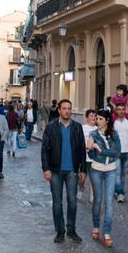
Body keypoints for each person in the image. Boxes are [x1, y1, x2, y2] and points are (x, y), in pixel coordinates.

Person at [41, 99, 87, 244]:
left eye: (69, 108)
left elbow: (81, 150)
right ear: (59, 110)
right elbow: (44, 150)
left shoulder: (77, 127)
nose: (67, 111)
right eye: (64, 108)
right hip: (55, 171)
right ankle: (60, 231)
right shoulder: (51, 127)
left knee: (72, 202)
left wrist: (83, 170)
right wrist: (46, 168)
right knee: (57, 203)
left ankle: (71, 230)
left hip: (72, 171)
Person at [86, 109, 120, 248]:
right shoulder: (92, 134)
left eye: (100, 119)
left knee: (109, 203)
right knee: (98, 200)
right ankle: (95, 226)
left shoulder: (114, 134)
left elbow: (117, 151)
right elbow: (91, 154)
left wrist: (102, 150)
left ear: (106, 120)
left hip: (111, 170)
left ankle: (106, 233)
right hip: (96, 170)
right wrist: (92, 147)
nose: (97, 121)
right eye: (96, 119)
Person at [112, 102, 128, 203]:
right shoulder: (113, 123)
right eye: (119, 109)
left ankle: (117, 190)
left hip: (127, 152)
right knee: (117, 173)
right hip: (116, 152)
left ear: (125, 110)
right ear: (116, 111)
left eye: (122, 109)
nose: (121, 111)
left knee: (123, 174)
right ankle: (121, 193)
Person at [80, 109, 98, 203]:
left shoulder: (97, 129)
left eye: (95, 116)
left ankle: (92, 195)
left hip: (94, 158)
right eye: (91, 115)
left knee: (93, 178)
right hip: (83, 158)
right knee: (82, 178)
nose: (93, 118)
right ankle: (81, 187)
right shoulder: (82, 128)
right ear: (87, 117)